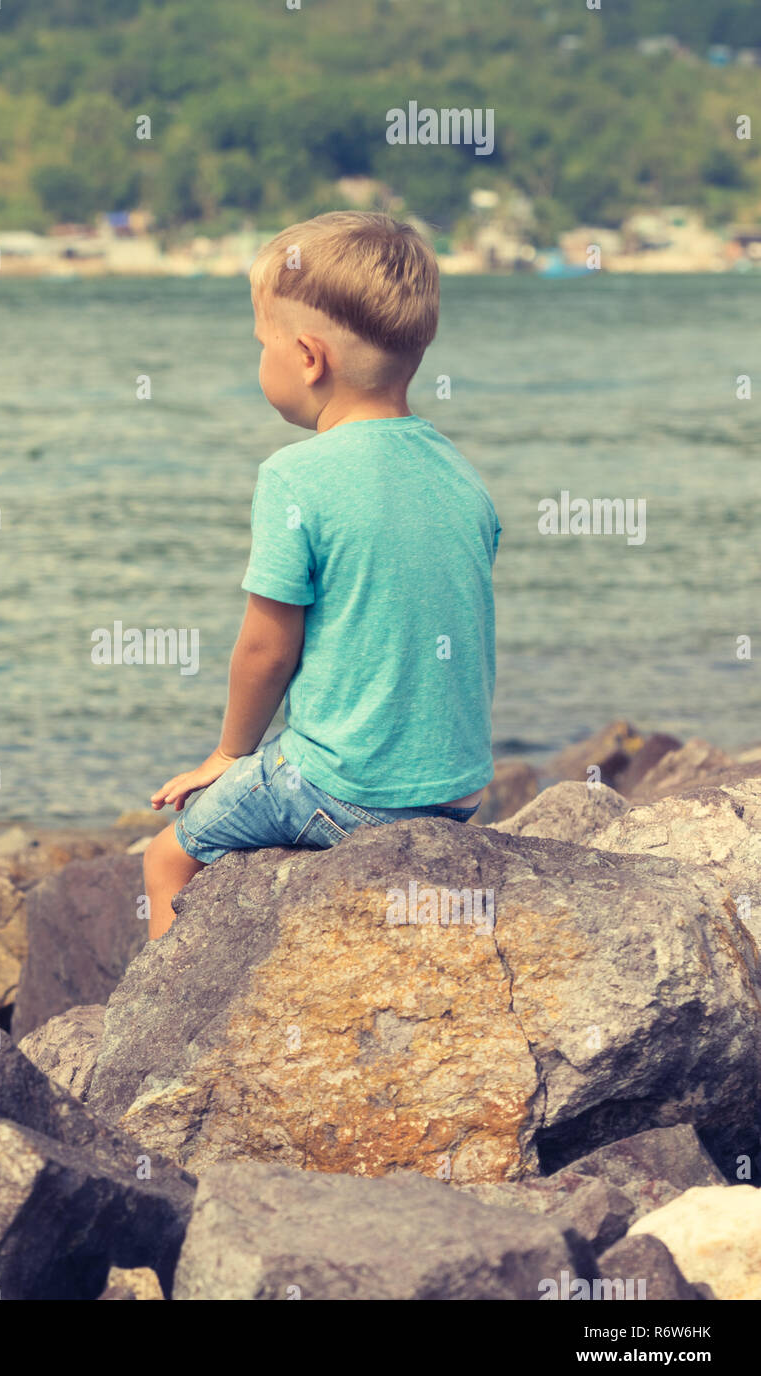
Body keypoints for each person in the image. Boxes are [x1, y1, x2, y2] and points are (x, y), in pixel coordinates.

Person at [144, 211, 502, 939]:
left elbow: (266, 649)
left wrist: (229, 756)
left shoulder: (295, 476)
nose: (258, 363)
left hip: (344, 788)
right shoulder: (461, 477)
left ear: (307, 357)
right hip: (459, 789)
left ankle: (154, 1032)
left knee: (164, 861)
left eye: (259, 345)